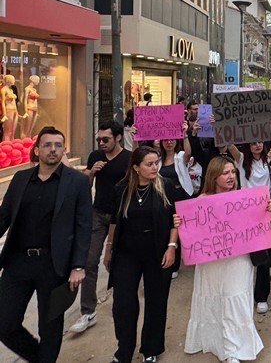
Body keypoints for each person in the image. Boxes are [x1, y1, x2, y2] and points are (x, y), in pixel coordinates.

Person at [0, 128, 92, 363]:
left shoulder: (77, 182)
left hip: (55, 265)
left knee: (50, 328)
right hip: (17, 262)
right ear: (37, 149)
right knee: (5, 323)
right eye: (48, 144)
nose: (53, 149)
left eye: (58, 145)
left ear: (63, 150)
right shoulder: (20, 179)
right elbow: (3, 217)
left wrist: (79, 266)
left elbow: (83, 226)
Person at [183, 156, 270, 362]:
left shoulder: (244, 197)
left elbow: (258, 220)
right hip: (212, 262)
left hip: (238, 260)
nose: (231, 176)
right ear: (214, 176)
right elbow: (193, 229)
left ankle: (233, 349)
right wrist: (181, 221)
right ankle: (218, 341)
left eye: (233, 172)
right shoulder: (201, 201)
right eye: (225, 173)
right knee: (216, 298)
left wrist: (267, 209)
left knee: (235, 296)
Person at [104, 146, 182, 363]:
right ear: (136, 167)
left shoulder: (165, 186)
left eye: (156, 162)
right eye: (149, 164)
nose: (155, 167)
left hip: (157, 251)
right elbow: (113, 220)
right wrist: (108, 248)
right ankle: (124, 351)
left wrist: (171, 246)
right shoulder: (122, 189)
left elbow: (175, 219)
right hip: (126, 253)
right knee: (123, 303)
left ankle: (151, 349)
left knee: (156, 300)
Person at [70, 121, 132, 335]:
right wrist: (90, 173)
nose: (102, 143)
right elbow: (84, 187)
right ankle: (88, 311)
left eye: (106, 139)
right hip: (97, 214)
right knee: (89, 260)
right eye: (99, 140)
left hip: (122, 216)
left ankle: (122, 303)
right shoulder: (95, 156)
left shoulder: (128, 159)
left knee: (118, 261)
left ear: (118, 138)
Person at [228, 141, 271, 314]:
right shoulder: (241, 159)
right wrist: (219, 124)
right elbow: (230, 145)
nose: (257, 146)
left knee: (264, 257)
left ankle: (261, 297)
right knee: (245, 257)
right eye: (253, 143)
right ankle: (241, 295)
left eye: (260, 142)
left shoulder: (268, 160)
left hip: (267, 212)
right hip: (246, 213)